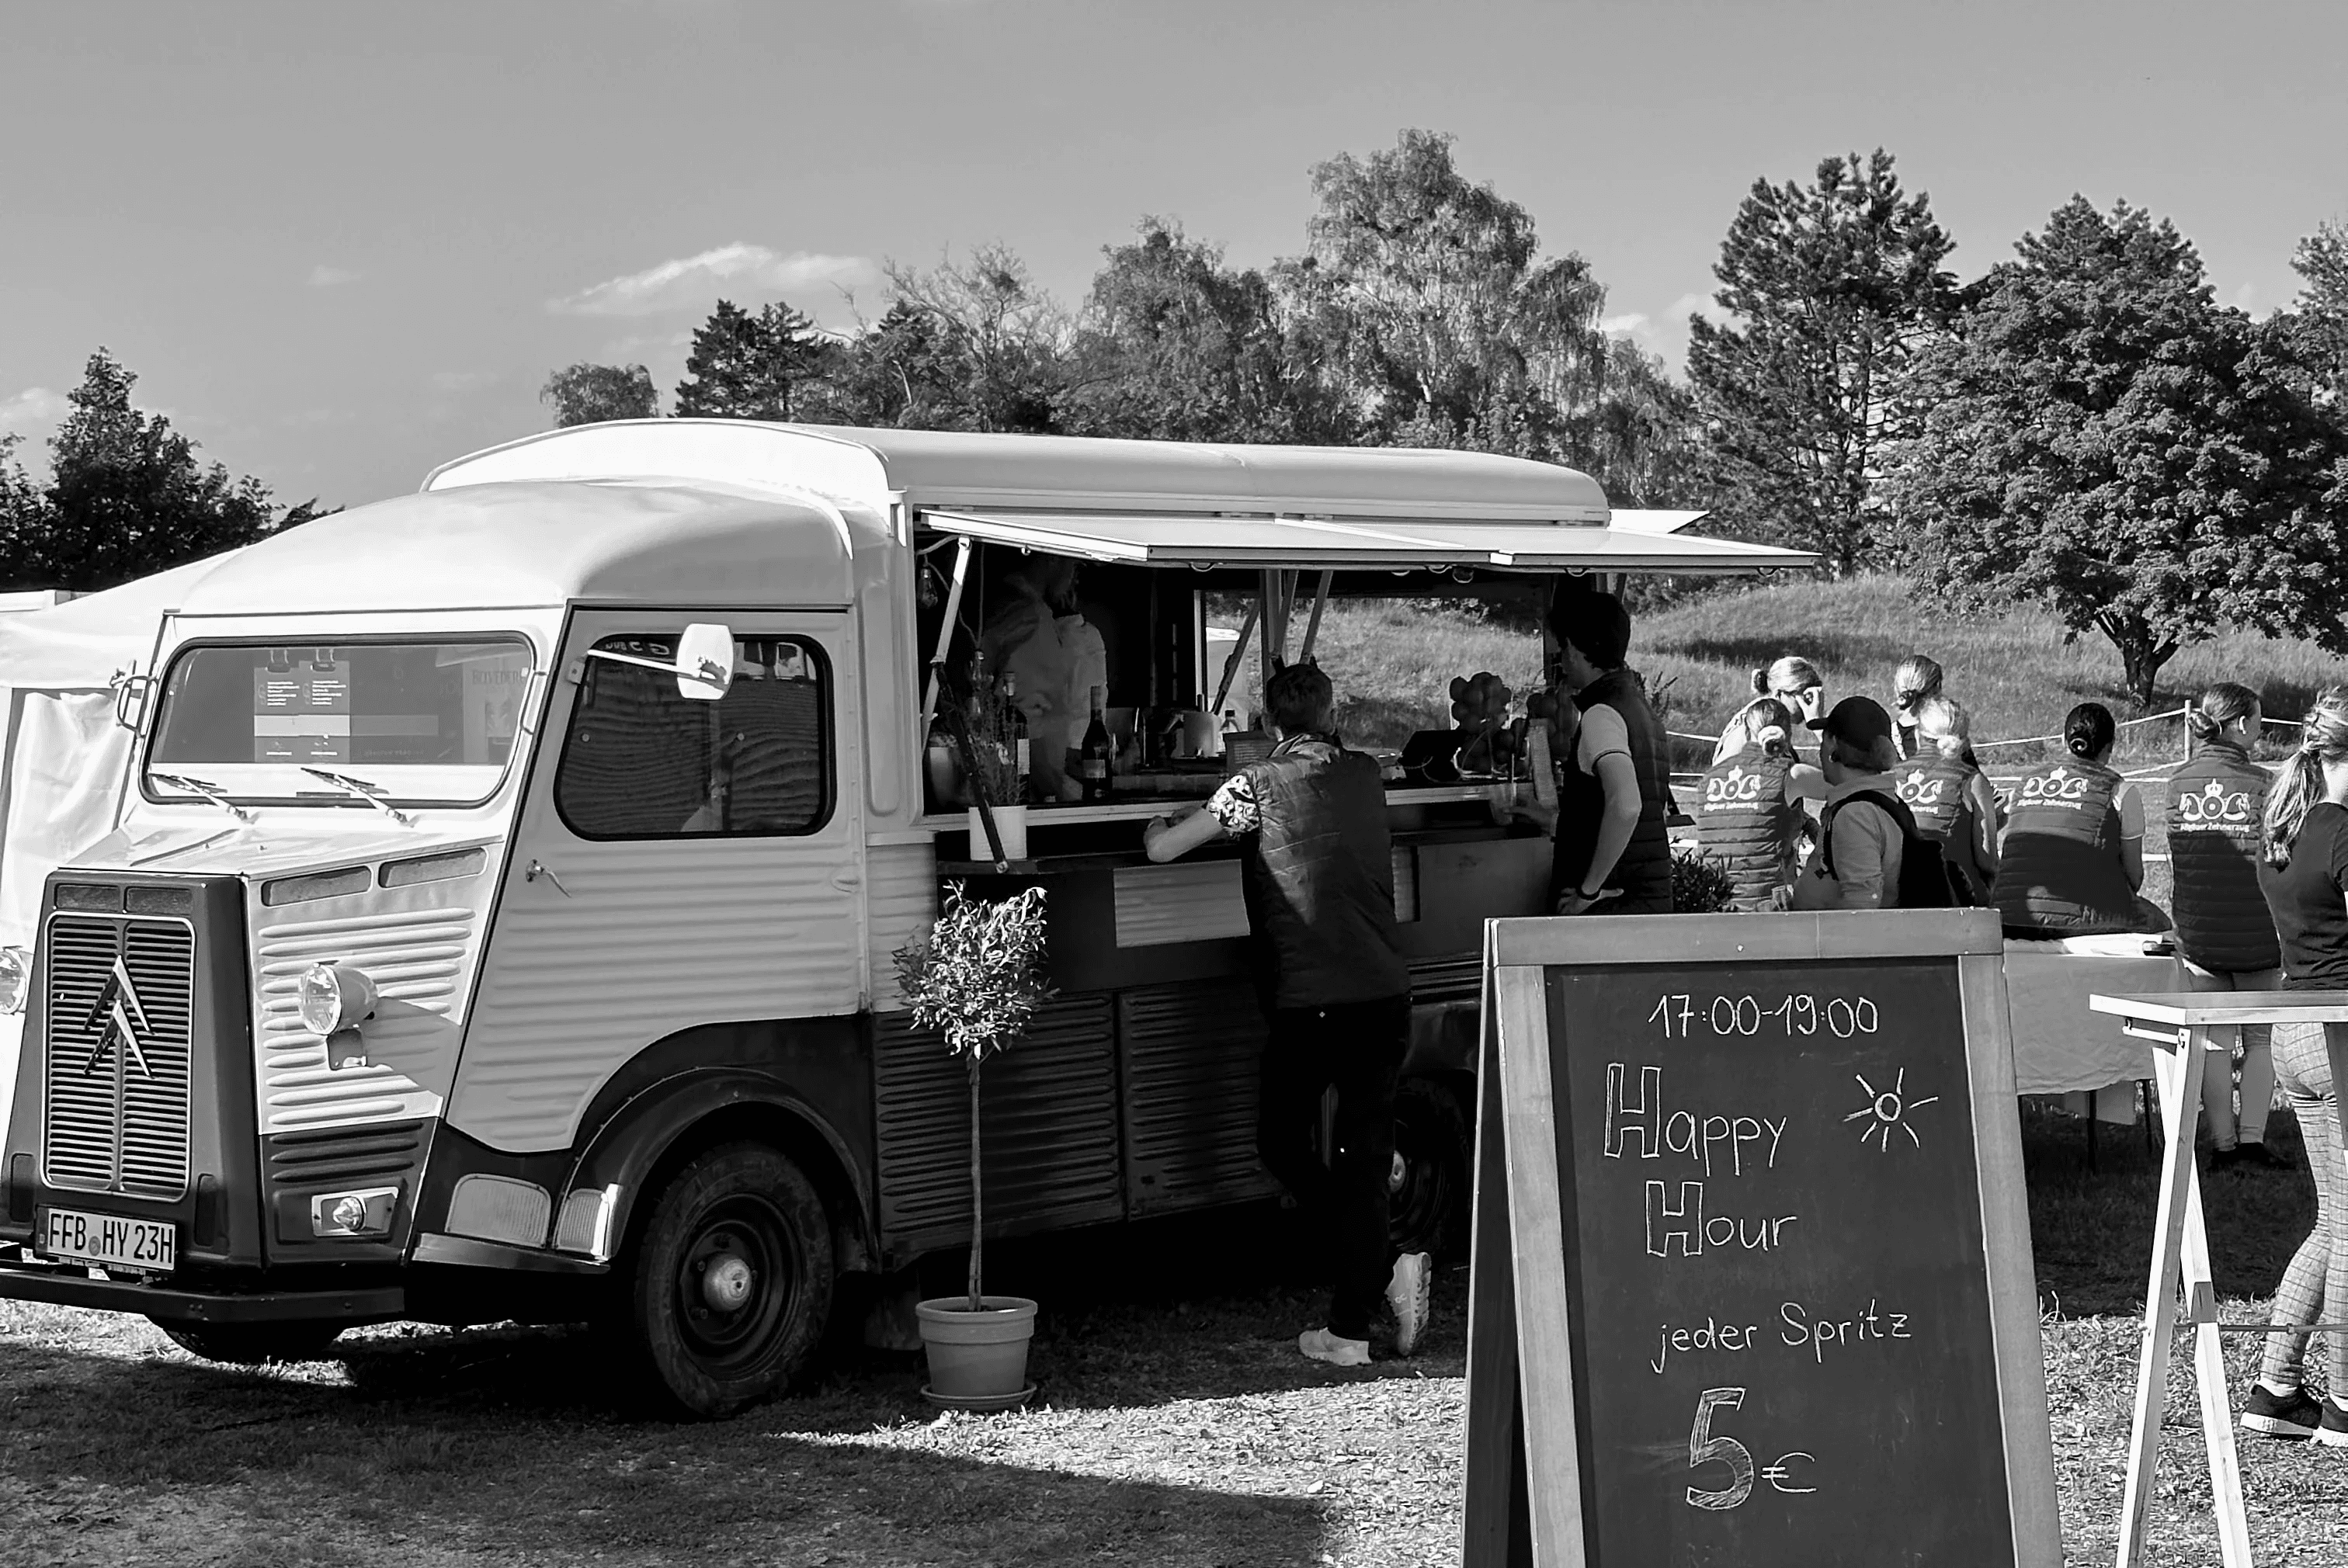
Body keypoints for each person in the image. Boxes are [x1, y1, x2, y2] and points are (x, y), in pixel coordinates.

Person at [1142, 661, 1430, 1367]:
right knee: (1363, 1159)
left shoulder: (1253, 786)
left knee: (1282, 1142)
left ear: (1271, 725)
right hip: (1383, 993)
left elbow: (1161, 850)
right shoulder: (1367, 774)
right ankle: (1366, 1301)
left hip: (1311, 1002)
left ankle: (1365, 1302)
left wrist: (1159, 819)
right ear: (1333, 717)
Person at [2240, 686, 2348, 1445]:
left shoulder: (2287, 817)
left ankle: (2276, 1387)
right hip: (2338, 1031)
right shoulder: (2341, 829)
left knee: (2335, 1219)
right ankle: (2345, 1401)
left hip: (2294, 1027)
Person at [2171, 683, 2287, 1171]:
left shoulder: (2177, 782)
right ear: (2241, 724)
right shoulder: (2266, 784)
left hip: (2199, 933)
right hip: (2258, 934)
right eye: (2259, 720)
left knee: (2214, 1038)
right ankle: (2253, 1141)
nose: (2261, 728)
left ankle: (2221, 1145)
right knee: (2259, 1039)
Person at [1991, 702, 2170, 938]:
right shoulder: (2122, 792)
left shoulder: (2025, 784)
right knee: (2162, 925)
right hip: (2081, 920)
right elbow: (2134, 877)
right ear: (2110, 747)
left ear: (2064, 742)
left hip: (2008, 914)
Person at [1546, 589, 1673, 914]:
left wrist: (1587, 892)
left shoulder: (1601, 714)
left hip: (1613, 906)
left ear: (1573, 649)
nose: (1561, 658)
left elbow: (1627, 805)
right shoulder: (1641, 710)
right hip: (1646, 898)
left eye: (1561, 647)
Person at [978, 554, 1105, 802]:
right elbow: (1029, 722)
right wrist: (1059, 788)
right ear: (1054, 559)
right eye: (1074, 566)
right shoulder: (1030, 619)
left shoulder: (1005, 607)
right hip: (1032, 792)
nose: (1073, 579)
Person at [1784, 696, 1912, 911]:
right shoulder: (1880, 801)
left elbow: (1861, 903)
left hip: (1835, 941)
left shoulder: (1855, 814)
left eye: (1824, 738)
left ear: (1833, 744)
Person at [1696, 697, 1822, 911]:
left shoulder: (1708, 780)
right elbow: (1846, 783)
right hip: (1768, 906)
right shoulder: (1790, 774)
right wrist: (1816, 722)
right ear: (1788, 736)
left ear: (1746, 733)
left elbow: (1748, 816)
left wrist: (1805, 821)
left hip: (1715, 904)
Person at [1895, 696, 1999, 902]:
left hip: (1897, 896)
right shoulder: (1973, 781)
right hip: (1956, 899)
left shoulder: (1891, 775)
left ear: (1918, 735)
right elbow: (1988, 862)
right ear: (1964, 742)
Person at [1718, 655, 1828, 764]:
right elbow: (1723, 773)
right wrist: (1817, 726)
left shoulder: (1775, 724)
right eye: (1803, 697)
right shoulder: (1753, 724)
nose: (1811, 705)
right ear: (1779, 694)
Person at [1891, 654, 1947, 760]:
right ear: (1935, 689)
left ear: (1898, 687)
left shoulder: (1886, 738)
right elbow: (1973, 774)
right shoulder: (1948, 733)